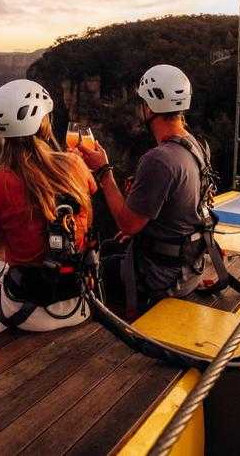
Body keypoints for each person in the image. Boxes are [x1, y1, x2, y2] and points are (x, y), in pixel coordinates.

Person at [79, 64, 217, 316]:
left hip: (163, 279)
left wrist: (104, 173)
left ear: (151, 107)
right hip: (190, 267)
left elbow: (128, 225)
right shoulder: (196, 145)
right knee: (111, 248)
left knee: (89, 274)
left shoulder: (159, 160)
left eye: (142, 102)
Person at [0, 79, 96, 335]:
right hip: (79, 304)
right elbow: (86, 221)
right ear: (44, 123)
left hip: (27, 314)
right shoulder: (75, 165)